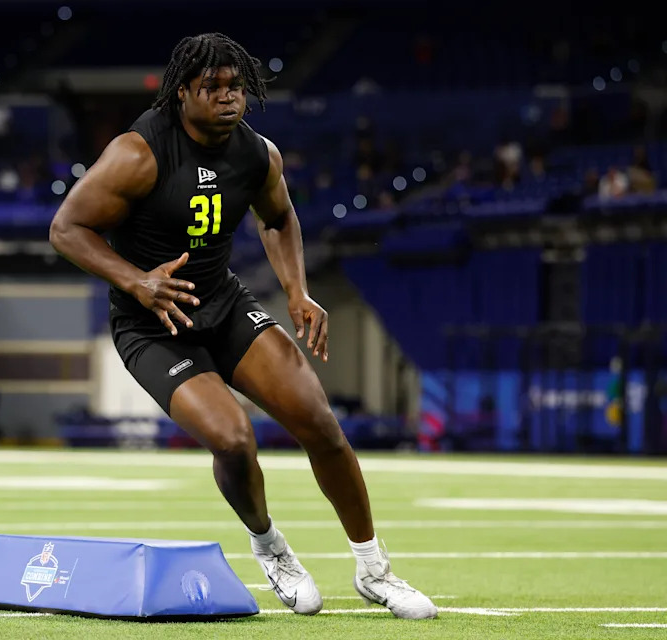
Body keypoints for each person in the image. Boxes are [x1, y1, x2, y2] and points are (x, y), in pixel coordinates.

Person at [49, 33, 437, 619]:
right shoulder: (138, 153)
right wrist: (136, 281)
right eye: (213, 88)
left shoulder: (259, 154)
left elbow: (278, 217)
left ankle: (374, 570)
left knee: (319, 422)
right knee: (232, 438)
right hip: (153, 324)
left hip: (224, 304)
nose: (228, 98)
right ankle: (269, 545)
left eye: (236, 87)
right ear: (182, 92)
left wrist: (297, 291)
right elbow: (66, 228)